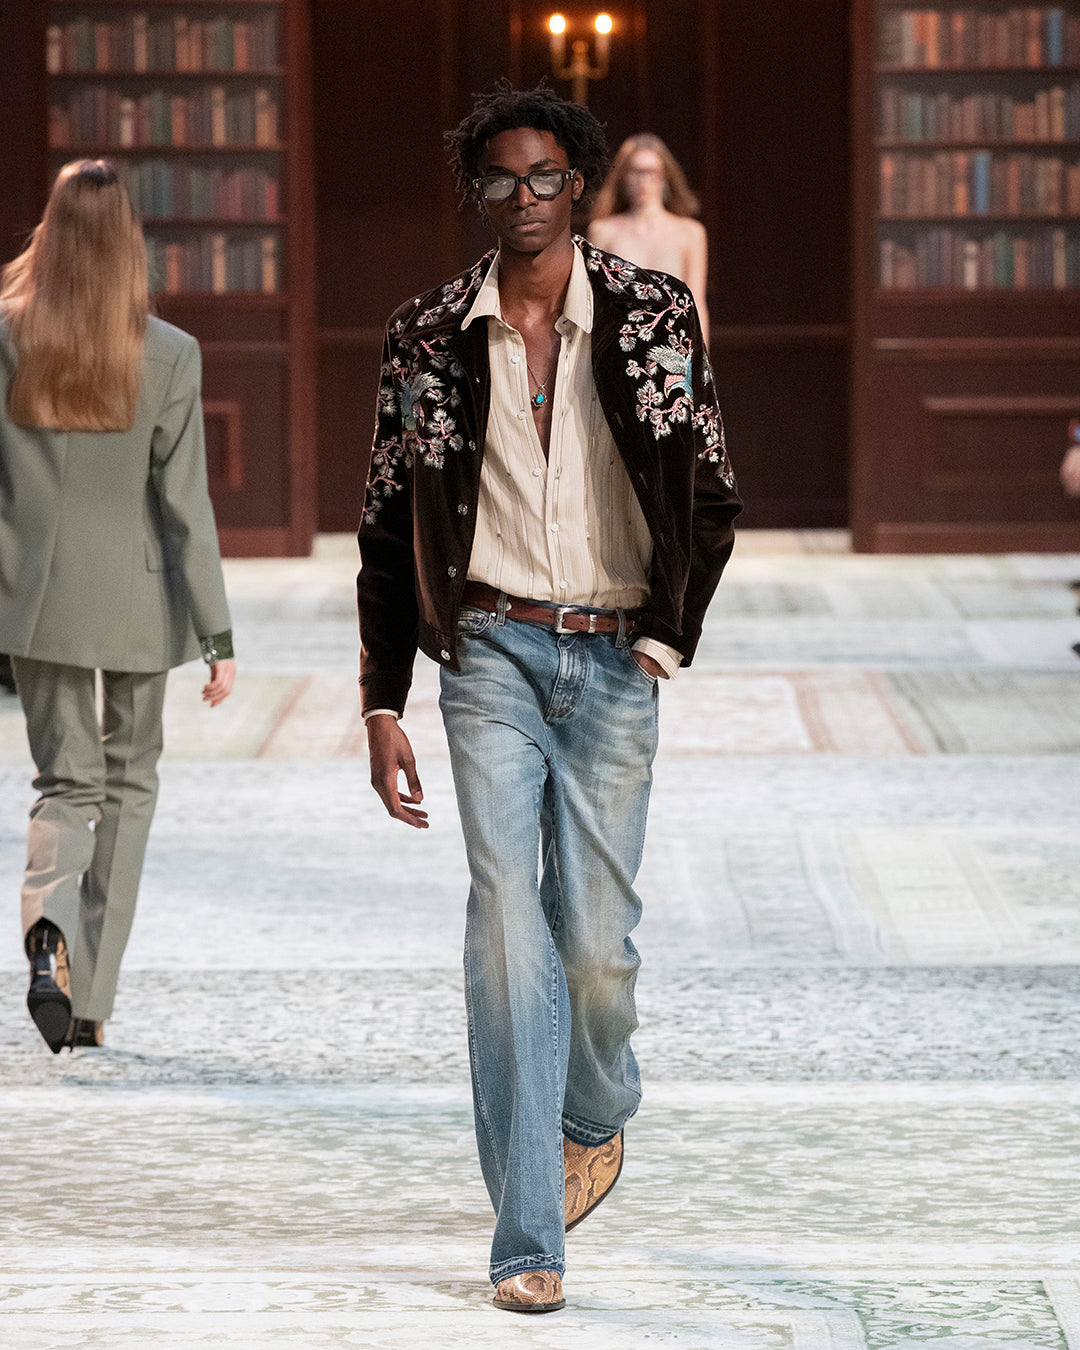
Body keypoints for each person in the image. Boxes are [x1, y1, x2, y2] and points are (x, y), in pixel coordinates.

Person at [356, 86, 740, 1313]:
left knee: (595, 949)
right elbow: (386, 528)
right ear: (475, 193)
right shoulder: (425, 336)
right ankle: (528, 1236)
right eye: (497, 179)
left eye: (542, 178)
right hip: (488, 655)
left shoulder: (653, 315)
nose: (520, 198)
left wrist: (669, 638)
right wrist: (382, 699)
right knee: (506, 926)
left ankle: (598, 1104)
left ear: (577, 185)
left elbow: (711, 490)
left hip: (617, 656)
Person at [0, 160, 235, 1054]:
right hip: (139, 600)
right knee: (129, 786)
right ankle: (90, 998)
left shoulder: (6, 338)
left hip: (33, 598)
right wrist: (216, 633)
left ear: (49, 232)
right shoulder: (169, 351)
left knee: (65, 783)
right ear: (130, 239)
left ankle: (46, 931)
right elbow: (184, 504)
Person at [588, 133, 711, 340]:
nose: (644, 180)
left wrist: (702, 354)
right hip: (622, 342)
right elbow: (596, 303)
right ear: (623, 176)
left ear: (665, 176)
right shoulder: (603, 231)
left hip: (673, 342)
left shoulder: (690, 232)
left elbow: (696, 301)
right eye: (635, 171)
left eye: (652, 172)